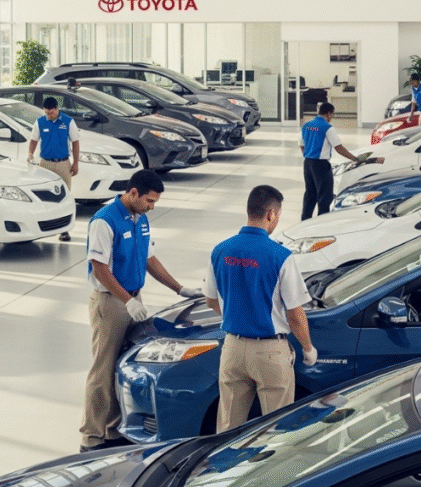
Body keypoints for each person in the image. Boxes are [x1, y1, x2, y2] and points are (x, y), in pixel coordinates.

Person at [80, 169, 203, 452]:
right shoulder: (104, 221)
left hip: (133, 299)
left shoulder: (141, 219)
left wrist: (180, 288)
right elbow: (99, 269)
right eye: (149, 201)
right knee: (103, 370)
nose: (152, 207)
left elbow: (150, 259)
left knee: (123, 366)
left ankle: (112, 431)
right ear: (133, 192)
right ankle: (91, 437)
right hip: (111, 303)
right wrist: (128, 301)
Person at [202, 185, 318, 433]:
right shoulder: (280, 256)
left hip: (232, 349)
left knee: (228, 427)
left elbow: (211, 301)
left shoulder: (220, 250)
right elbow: (295, 314)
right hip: (270, 353)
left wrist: (239, 315)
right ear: (271, 214)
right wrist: (308, 348)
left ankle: (225, 459)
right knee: (277, 427)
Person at [299, 102, 364, 220]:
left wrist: (309, 155)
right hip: (321, 165)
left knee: (310, 193)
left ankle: (305, 220)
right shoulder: (328, 128)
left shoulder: (306, 126)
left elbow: (301, 145)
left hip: (307, 164)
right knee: (325, 195)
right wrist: (355, 159)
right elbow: (339, 148)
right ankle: (323, 221)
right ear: (328, 113)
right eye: (332, 114)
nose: (332, 117)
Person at [27, 96, 80, 241]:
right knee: (44, 196)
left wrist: (76, 163)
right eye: (46, 113)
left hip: (63, 163)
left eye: (51, 113)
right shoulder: (40, 121)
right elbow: (33, 140)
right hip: (46, 164)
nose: (49, 115)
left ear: (57, 109)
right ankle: (46, 226)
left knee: (65, 196)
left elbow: (75, 142)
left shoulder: (68, 121)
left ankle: (65, 230)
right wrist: (30, 153)